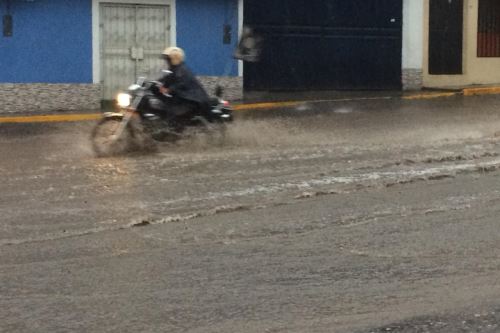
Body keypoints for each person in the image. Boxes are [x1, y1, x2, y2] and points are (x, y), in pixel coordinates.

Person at [157, 47, 211, 121]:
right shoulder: (174, 68)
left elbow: (181, 83)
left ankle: (171, 132)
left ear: (174, 58)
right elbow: (167, 78)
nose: (167, 61)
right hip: (184, 98)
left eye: (168, 59)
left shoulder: (182, 69)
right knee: (164, 108)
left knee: (172, 114)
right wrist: (156, 82)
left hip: (193, 100)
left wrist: (168, 90)